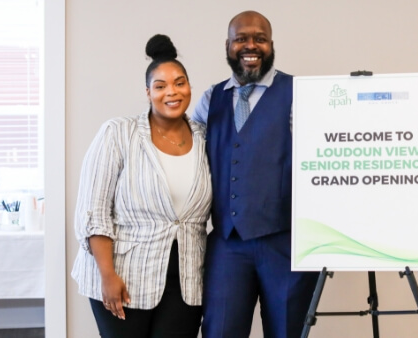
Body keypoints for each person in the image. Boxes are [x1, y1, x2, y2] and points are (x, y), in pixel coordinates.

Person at [71, 34, 212, 338]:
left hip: (186, 284)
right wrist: (107, 275)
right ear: (148, 92)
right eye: (160, 86)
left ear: (189, 87)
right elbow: (94, 211)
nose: (171, 92)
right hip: (124, 276)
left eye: (179, 82)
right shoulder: (118, 134)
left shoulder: (205, 138)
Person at [192, 10, 319, 338]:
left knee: (288, 332)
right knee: (219, 332)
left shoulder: (299, 94)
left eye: (259, 39)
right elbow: (188, 159)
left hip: (286, 243)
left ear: (271, 44)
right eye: (242, 39)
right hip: (227, 244)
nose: (251, 45)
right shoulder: (210, 99)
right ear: (228, 45)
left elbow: (320, 161)